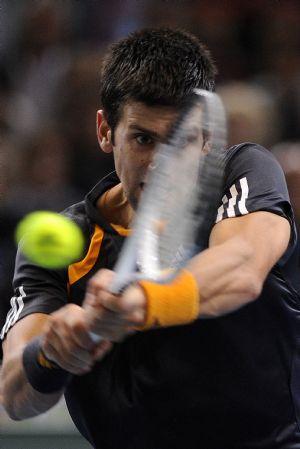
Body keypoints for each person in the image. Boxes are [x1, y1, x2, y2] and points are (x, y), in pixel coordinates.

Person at [0, 27, 300, 449]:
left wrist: (142, 303)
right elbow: (14, 394)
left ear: (208, 141)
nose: (160, 165)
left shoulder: (243, 171)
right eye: (143, 139)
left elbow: (243, 265)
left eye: (181, 141)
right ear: (106, 131)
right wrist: (52, 352)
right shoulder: (66, 243)